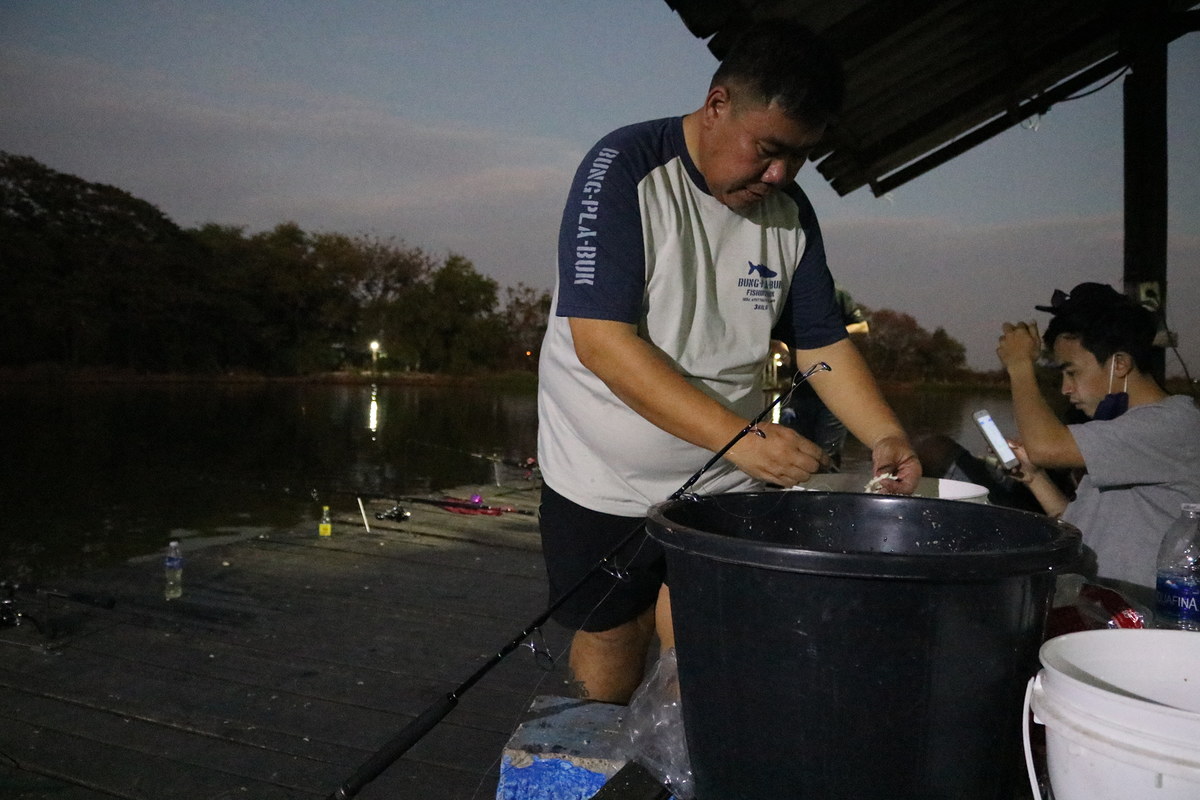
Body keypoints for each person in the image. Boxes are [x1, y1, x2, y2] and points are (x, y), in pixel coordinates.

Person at [536, 21, 921, 704]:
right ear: (718, 105)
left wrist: (884, 436)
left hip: (721, 483)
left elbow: (821, 341)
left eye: (800, 157)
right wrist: (740, 439)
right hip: (598, 475)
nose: (780, 175)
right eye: (768, 150)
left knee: (715, 647)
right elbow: (601, 341)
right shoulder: (622, 169)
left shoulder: (790, 212)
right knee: (611, 643)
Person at [996, 282, 1200, 608]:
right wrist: (1035, 477)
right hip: (1096, 608)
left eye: (1072, 372)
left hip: (1140, 620)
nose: (1065, 389)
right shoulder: (1116, 433)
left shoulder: (1172, 424)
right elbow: (1080, 524)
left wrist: (1020, 365)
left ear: (1119, 364)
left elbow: (1046, 446)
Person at [781, 284, 869, 469]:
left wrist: (830, 336)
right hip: (800, 391)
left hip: (834, 392)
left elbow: (863, 326)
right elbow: (773, 334)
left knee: (829, 453)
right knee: (793, 450)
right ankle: (794, 494)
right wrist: (783, 346)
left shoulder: (837, 293)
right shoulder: (787, 295)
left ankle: (827, 491)